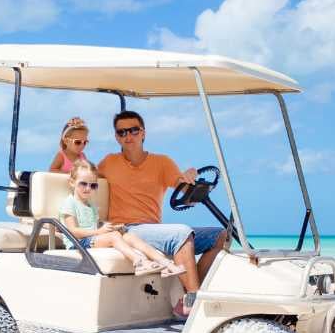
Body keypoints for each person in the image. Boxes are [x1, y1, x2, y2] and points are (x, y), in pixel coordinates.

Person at [98, 111, 227, 318]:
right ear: (116, 137)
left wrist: (190, 178)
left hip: (152, 229)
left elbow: (186, 194)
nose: (128, 136)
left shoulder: (162, 163)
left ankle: (190, 296)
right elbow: (81, 176)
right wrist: (69, 145)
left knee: (221, 235)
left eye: (133, 130)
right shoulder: (108, 163)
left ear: (143, 133)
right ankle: (195, 304)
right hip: (127, 230)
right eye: (122, 132)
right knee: (180, 233)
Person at [60, 160, 186, 278]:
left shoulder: (91, 205)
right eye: (83, 184)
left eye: (93, 185)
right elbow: (73, 232)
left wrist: (110, 228)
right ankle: (140, 263)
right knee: (114, 236)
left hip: (91, 239)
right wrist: (100, 232)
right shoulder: (70, 203)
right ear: (72, 182)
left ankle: (166, 263)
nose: (88, 188)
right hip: (77, 244)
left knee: (128, 235)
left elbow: (94, 226)